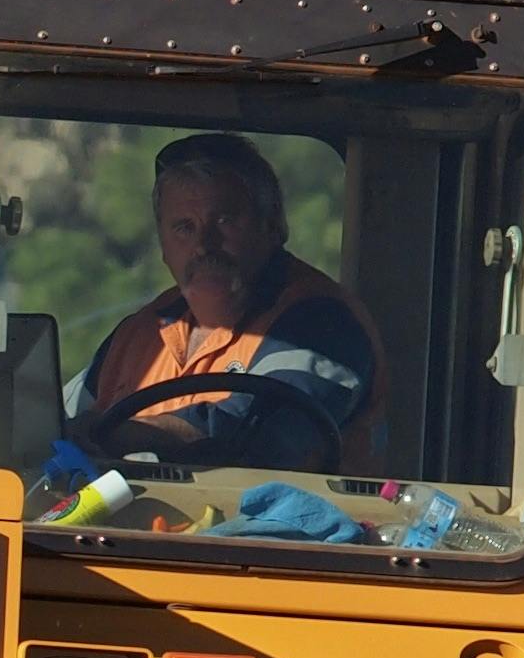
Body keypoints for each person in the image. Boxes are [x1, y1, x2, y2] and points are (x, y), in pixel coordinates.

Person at [66, 132, 379, 470]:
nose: (204, 246)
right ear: (163, 246)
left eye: (225, 221)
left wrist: (122, 434)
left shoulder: (321, 321)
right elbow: (56, 421)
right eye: (184, 228)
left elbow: (263, 434)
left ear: (273, 225)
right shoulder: (139, 333)